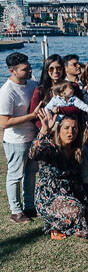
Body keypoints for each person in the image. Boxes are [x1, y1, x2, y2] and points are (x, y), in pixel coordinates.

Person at [29, 111, 88, 239]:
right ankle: (54, 226)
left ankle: (67, 224)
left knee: (87, 216)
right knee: (78, 211)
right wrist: (44, 130)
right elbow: (34, 154)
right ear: (59, 130)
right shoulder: (51, 146)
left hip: (70, 194)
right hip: (50, 197)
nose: (71, 132)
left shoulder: (77, 150)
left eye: (74, 128)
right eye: (66, 128)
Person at [0, 52, 39, 223]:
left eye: (29, 67)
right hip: (16, 141)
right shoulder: (7, 92)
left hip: (32, 137)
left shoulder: (32, 83)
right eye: (25, 69)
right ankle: (16, 211)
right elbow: (4, 122)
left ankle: (29, 206)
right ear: (12, 71)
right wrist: (32, 116)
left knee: (31, 173)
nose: (30, 70)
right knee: (15, 176)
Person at [30, 54, 83, 129]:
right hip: (48, 130)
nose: (55, 71)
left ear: (63, 69)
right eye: (51, 69)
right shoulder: (40, 90)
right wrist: (46, 128)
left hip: (70, 130)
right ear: (46, 71)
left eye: (58, 68)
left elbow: (80, 108)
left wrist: (59, 110)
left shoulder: (73, 86)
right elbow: (34, 116)